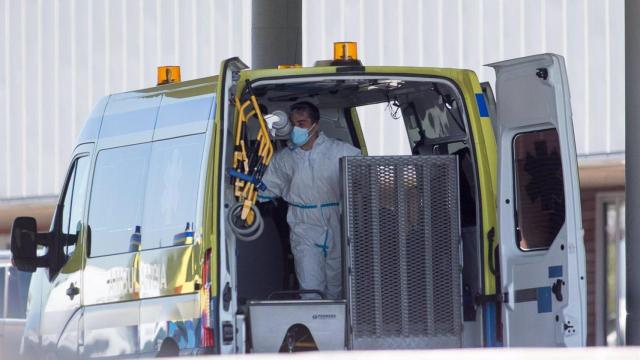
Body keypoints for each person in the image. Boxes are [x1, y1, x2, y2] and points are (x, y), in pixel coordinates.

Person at [258, 101, 361, 300]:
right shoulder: (284, 159)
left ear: (316, 125)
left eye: (302, 123)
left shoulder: (339, 151)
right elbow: (266, 189)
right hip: (302, 223)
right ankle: (316, 327)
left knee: (336, 283)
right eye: (292, 123)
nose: (296, 128)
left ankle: (336, 328)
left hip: (336, 221)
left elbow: (364, 175)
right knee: (310, 282)